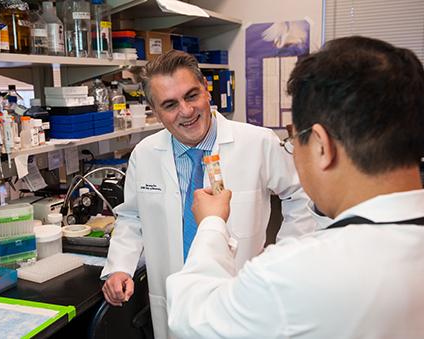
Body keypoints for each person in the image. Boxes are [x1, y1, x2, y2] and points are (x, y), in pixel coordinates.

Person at [166, 36, 424, 339]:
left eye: (294, 139)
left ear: (321, 145)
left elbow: (190, 317)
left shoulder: (293, 273)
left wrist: (212, 225)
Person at [101, 50, 315, 338]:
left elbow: (301, 193)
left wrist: (285, 255)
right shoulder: (146, 154)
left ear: (205, 87)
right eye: (170, 104)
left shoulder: (257, 142)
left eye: (191, 95)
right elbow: (131, 217)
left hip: (241, 292)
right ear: (154, 109)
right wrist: (119, 268)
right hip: (172, 296)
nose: (187, 111)